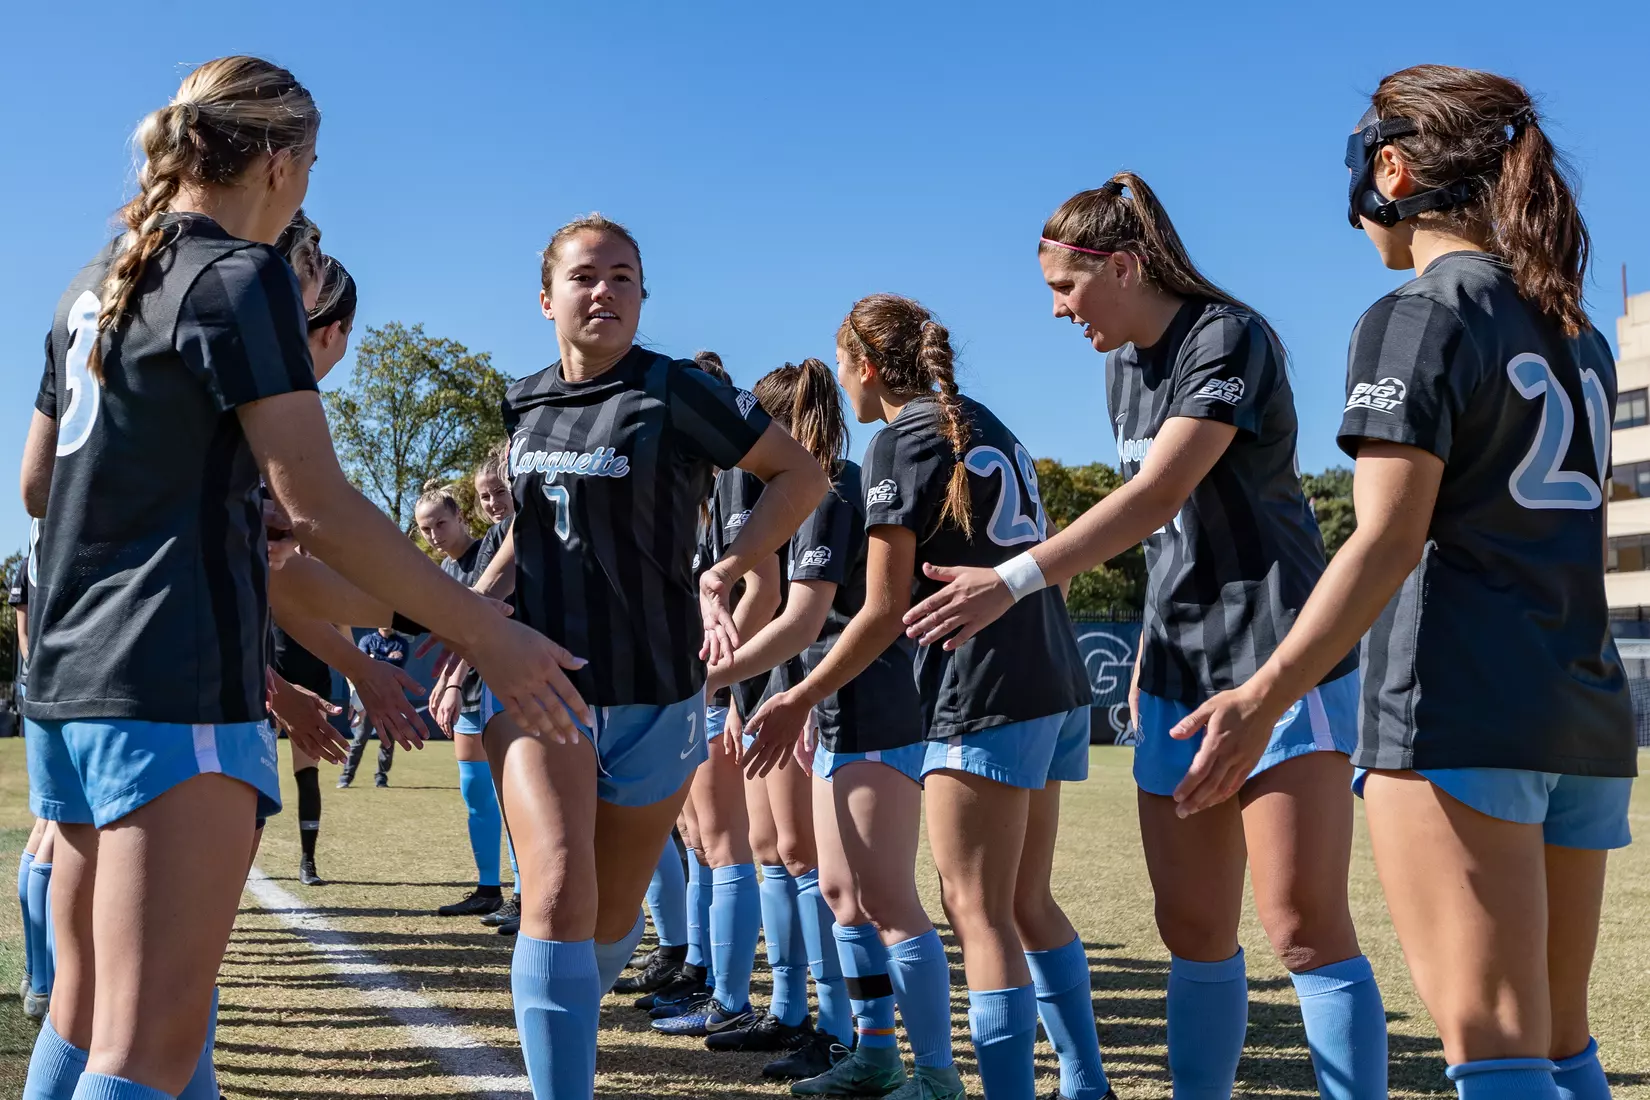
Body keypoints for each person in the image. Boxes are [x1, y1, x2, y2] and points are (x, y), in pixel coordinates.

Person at [17, 55, 584, 1100]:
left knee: (84, 1011)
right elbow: (321, 498)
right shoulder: (239, 275)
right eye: (314, 161)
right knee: (143, 1050)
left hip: (67, 683)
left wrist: (219, 496)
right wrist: (484, 628)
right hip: (168, 676)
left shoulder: (90, 286)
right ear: (278, 159)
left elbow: (40, 485)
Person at [1170, 66, 1635, 1100]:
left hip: (1461, 703)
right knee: (1561, 1044)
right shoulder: (1578, 330)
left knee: (1499, 1049)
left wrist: (1263, 693)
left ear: (1394, 167)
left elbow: (1384, 540)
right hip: (1584, 709)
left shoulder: (1418, 312)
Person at [905, 171, 1387, 1100]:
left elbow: (1158, 492)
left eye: (1065, 287)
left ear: (1123, 266)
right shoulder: (1120, 365)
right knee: (1193, 928)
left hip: (1280, 656)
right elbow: (1163, 531)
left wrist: (1011, 580)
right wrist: (1144, 663)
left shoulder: (1225, 336)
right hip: (1174, 668)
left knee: (1301, 927)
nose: (1056, 311)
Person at [466, 213, 827, 1100]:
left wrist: (739, 559)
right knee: (554, 892)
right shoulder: (523, 400)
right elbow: (525, 526)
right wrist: (474, 615)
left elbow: (802, 475)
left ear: (642, 296)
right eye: (586, 276)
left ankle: (569, 1021)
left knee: (610, 918)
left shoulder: (677, 392)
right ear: (545, 297)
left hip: (663, 684)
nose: (605, 292)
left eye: (624, 277)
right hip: (543, 679)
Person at [745, 295, 1095, 1100]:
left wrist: (800, 698)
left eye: (844, 365)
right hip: (1054, 674)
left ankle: (977, 1087)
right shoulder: (981, 420)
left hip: (987, 686)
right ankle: (1084, 1084)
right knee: (1024, 900)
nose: (843, 383)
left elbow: (878, 613)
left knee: (978, 910)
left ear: (866, 366)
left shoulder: (897, 441)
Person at [698, 358, 886, 1081]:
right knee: (774, 849)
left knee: (809, 862)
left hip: (818, 687)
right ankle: (789, 1008)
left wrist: (749, 690)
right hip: (777, 682)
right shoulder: (753, 491)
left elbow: (798, 615)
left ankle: (836, 1026)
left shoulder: (829, 487)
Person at [650, 433, 786, 1038]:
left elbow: (766, 593)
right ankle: (703, 975)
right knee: (702, 841)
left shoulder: (739, 482)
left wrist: (719, 686)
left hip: (726, 695)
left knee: (737, 848)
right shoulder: (702, 497)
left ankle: (730, 996)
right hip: (707, 692)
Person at [419, 480, 517, 919]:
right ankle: (488, 888)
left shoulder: (493, 553)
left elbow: (484, 630)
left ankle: (524, 895)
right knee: (476, 793)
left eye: (441, 522)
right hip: (465, 694)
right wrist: (445, 681)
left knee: (511, 795)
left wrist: (453, 680)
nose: (435, 533)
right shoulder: (443, 570)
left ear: (461, 517)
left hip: (497, 685)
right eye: (425, 528)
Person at [11, 524, 56, 1022]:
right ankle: (46, 985)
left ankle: (38, 977)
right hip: (74, 676)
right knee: (61, 829)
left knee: (47, 825)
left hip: (48, 678)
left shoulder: (38, 518)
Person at [338, 626, 411, 788]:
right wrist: (385, 658)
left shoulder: (401, 643)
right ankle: (346, 776)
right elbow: (363, 662)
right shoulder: (367, 640)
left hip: (392, 699)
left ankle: (381, 777)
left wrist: (374, 657)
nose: (385, 623)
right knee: (360, 739)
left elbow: (398, 663)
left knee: (388, 741)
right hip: (370, 698)